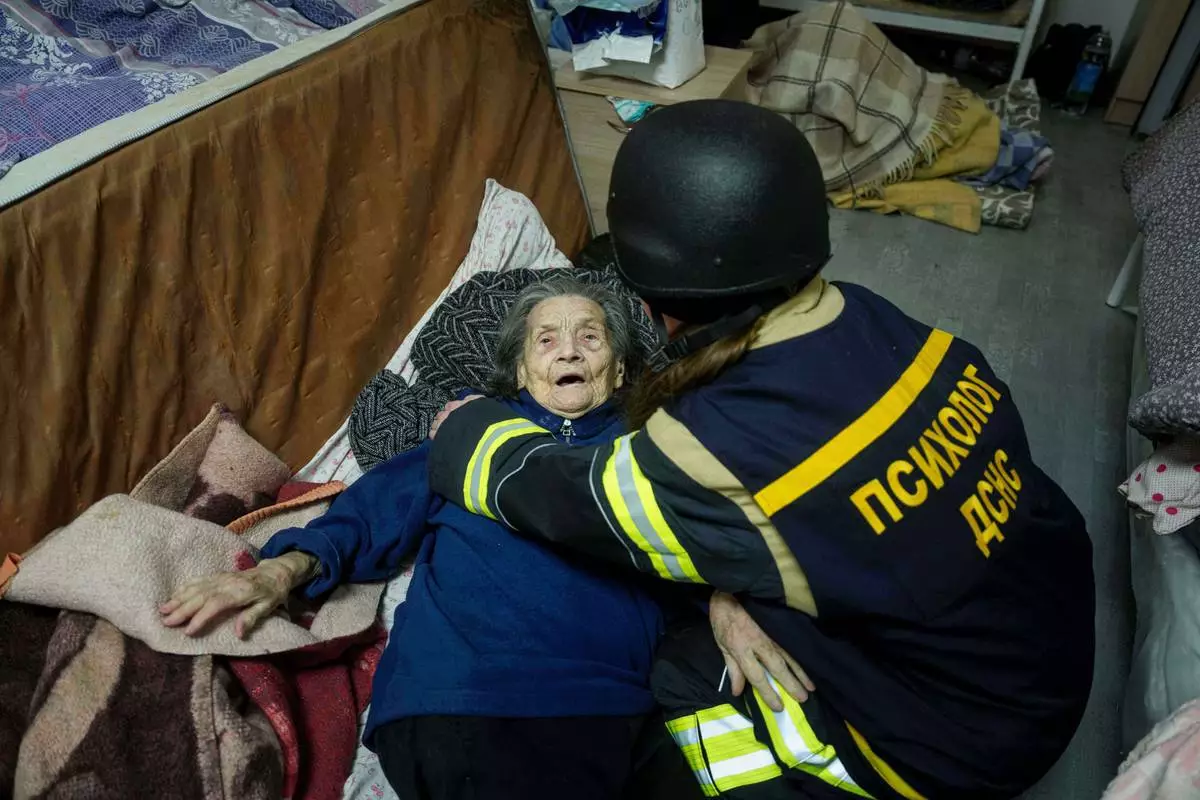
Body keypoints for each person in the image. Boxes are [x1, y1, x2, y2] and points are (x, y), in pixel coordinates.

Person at [425, 101, 1096, 800]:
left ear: (650, 299)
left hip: (965, 745)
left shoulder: (709, 444)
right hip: (1047, 636)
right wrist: (736, 585)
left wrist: (467, 429)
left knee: (684, 668)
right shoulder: (876, 317)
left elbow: (565, 499)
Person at [160, 275, 721, 800]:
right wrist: (280, 570)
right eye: (546, 340)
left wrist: (727, 602)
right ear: (522, 372)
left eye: (590, 338)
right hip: (468, 702)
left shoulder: (652, 451)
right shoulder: (475, 432)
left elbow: (704, 546)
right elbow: (370, 514)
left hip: (616, 709)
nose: (569, 352)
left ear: (619, 371)